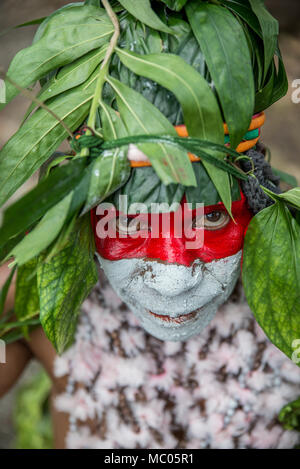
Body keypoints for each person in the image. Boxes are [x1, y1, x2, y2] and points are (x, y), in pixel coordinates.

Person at [0, 0, 299, 450]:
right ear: (83, 218)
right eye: (128, 220)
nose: (174, 280)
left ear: (256, 203)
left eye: (212, 216)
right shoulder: (37, 309)